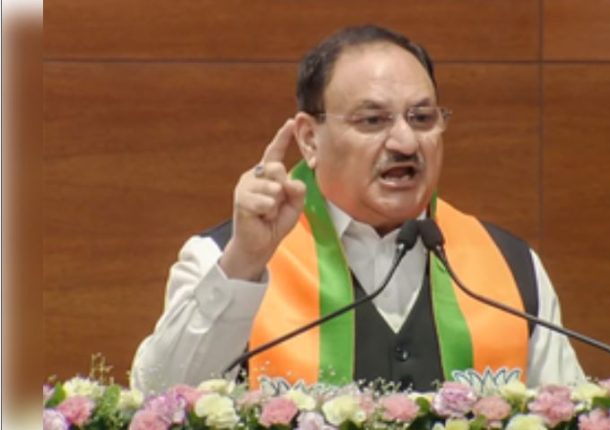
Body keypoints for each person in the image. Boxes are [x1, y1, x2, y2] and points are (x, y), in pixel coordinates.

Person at [130, 25, 584, 394]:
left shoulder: (510, 266)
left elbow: (565, 412)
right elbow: (159, 399)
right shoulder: (226, 259)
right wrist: (245, 264)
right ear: (310, 139)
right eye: (373, 120)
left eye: (422, 118)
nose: (405, 142)